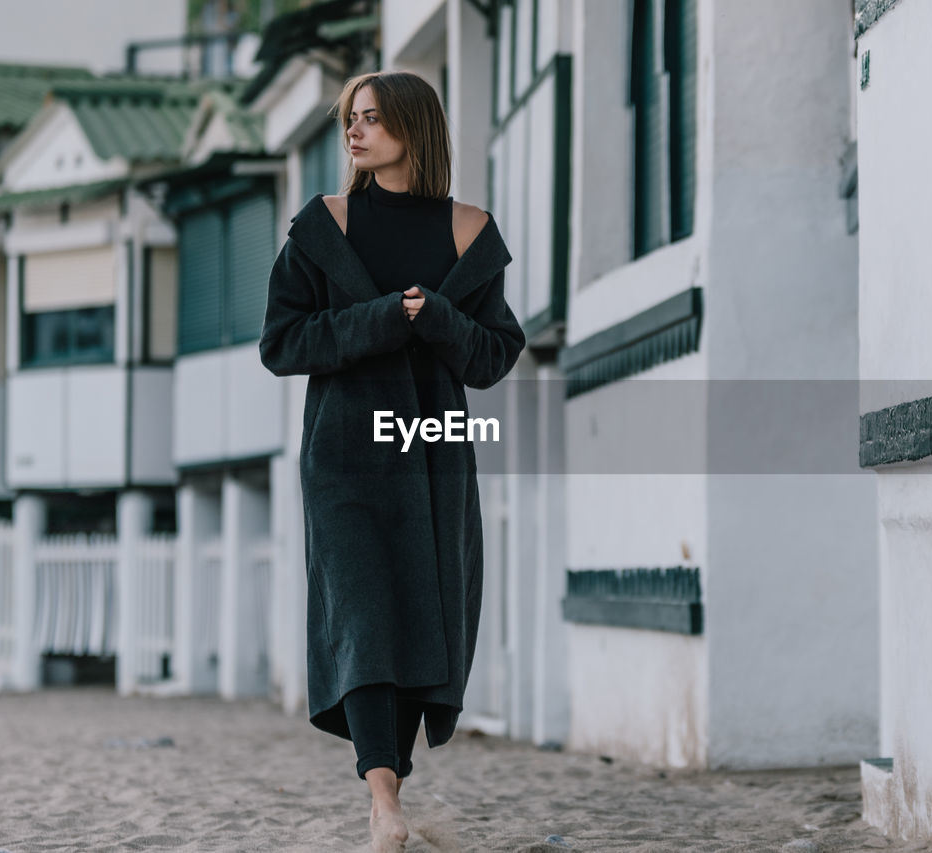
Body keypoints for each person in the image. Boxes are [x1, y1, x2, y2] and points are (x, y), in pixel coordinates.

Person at [258, 69, 526, 852]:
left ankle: (392, 785)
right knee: (363, 615)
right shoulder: (323, 225)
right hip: (342, 455)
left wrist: (438, 317)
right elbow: (281, 342)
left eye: (371, 118)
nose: (355, 131)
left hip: (433, 456)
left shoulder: (471, 232)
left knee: (420, 613)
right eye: (351, 118)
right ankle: (383, 799)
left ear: (414, 125)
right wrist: (379, 320)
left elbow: (492, 358)